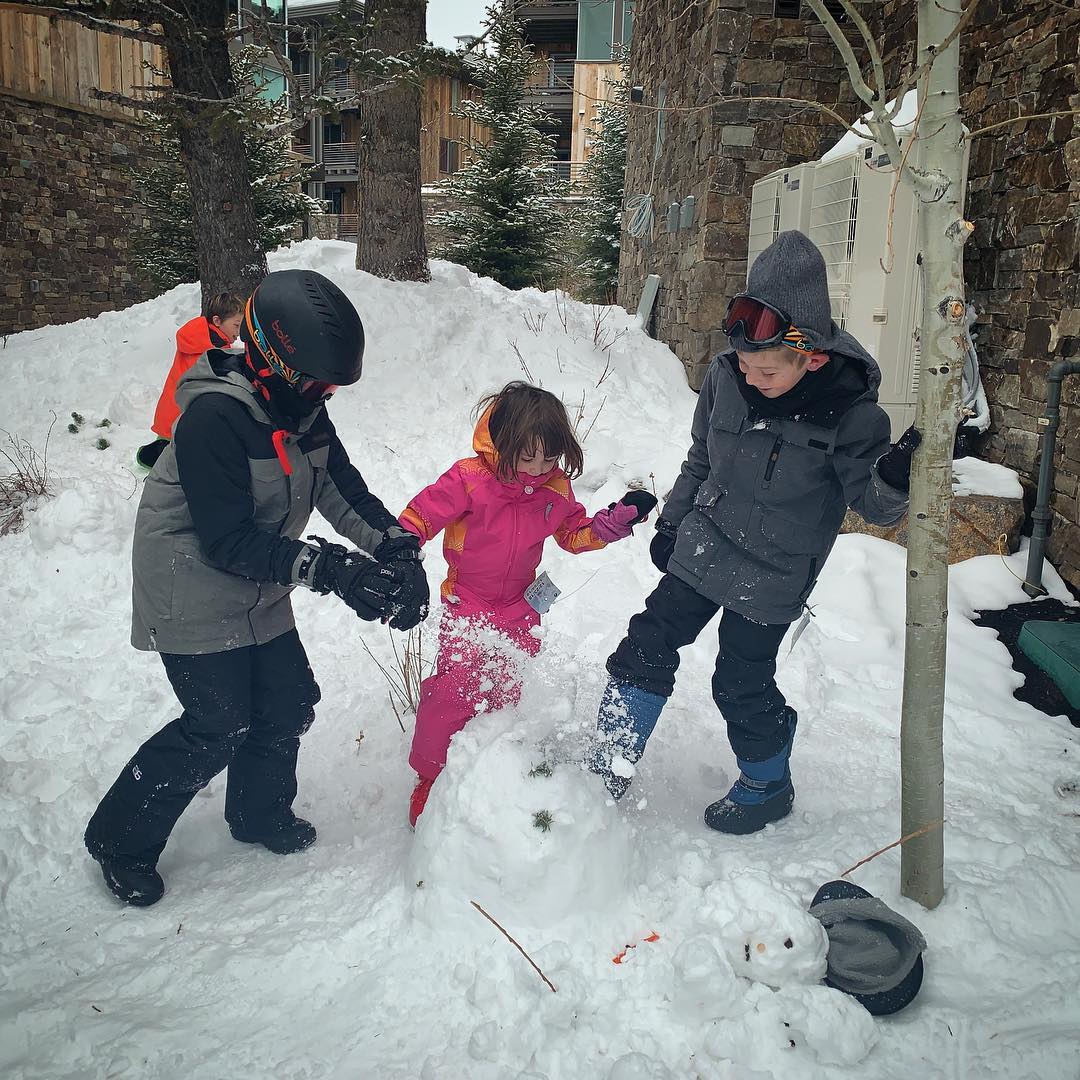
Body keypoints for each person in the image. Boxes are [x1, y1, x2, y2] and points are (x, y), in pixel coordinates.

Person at [85, 269, 430, 906]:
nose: (325, 395)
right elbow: (225, 540)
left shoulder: (301, 408)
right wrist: (333, 571)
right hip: (189, 584)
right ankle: (119, 840)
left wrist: (397, 547)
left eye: (332, 386)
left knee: (288, 701)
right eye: (317, 383)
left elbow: (341, 490)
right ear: (273, 361)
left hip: (258, 577)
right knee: (218, 723)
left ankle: (257, 813)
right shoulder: (214, 417)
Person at [585, 230, 921, 835]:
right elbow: (700, 458)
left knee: (739, 683)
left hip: (776, 569)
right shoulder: (725, 377)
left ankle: (767, 784)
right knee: (645, 644)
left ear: (811, 357)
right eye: (743, 363)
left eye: (765, 370)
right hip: (706, 542)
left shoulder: (851, 415)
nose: (750, 376)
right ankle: (607, 764)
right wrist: (672, 522)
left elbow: (875, 508)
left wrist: (895, 478)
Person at [398, 381, 657, 826]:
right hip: (468, 601)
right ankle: (431, 776)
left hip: (521, 605)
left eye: (549, 459)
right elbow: (419, 516)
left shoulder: (555, 488)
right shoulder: (468, 479)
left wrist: (612, 524)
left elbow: (573, 534)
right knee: (454, 690)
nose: (538, 470)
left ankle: (492, 766)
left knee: (505, 688)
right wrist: (400, 552)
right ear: (502, 443)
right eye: (527, 457)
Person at [135, 293, 245, 470]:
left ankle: (159, 453)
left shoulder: (202, 339)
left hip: (172, 415)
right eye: (236, 325)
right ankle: (159, 457)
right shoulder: (207, 349)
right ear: (217, 321)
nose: (238, 332)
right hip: (179, 418)